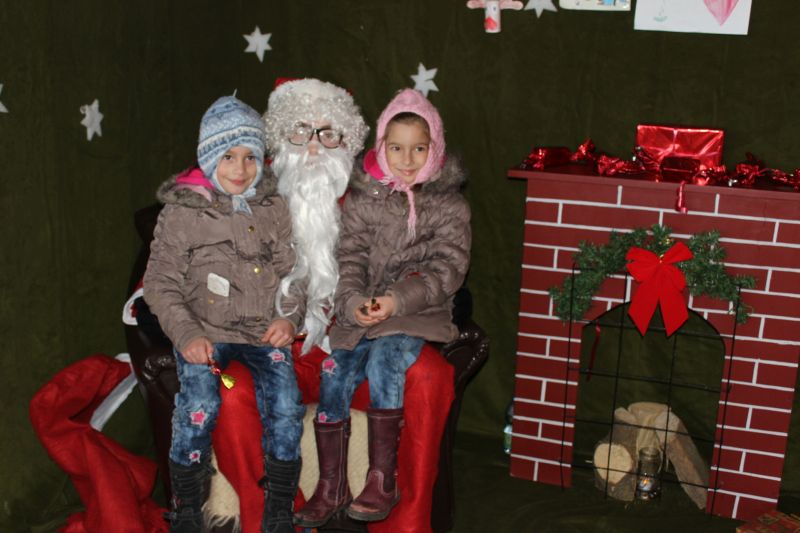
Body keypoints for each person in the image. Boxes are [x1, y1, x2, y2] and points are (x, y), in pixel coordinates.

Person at [294, 88, 471, 528]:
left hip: (415, 313)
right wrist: (352, 303)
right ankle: (331, 485)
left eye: (418, 149)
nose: (407, 160)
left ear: (435, 149)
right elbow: (349, 258)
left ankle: (382, 478)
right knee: (334, 371)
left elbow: (447, 268)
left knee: (386, 363)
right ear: (381, 148)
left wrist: (396, 300)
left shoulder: (448, 203)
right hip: (363, 313)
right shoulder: (364, 196)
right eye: (396, 148)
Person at [143, 95, 306, 533]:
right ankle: (187, 507)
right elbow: (159, 282)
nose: (240, 168)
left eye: (250, 156)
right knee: (199, 404)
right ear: (209, 156)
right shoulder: (184, 211)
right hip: (205, 331)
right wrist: (186, 334)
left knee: (287, 406)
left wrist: (289, 318)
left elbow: (295, 273)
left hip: (263, 332)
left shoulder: (274, 207)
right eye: (228, 156)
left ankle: (279, 506)